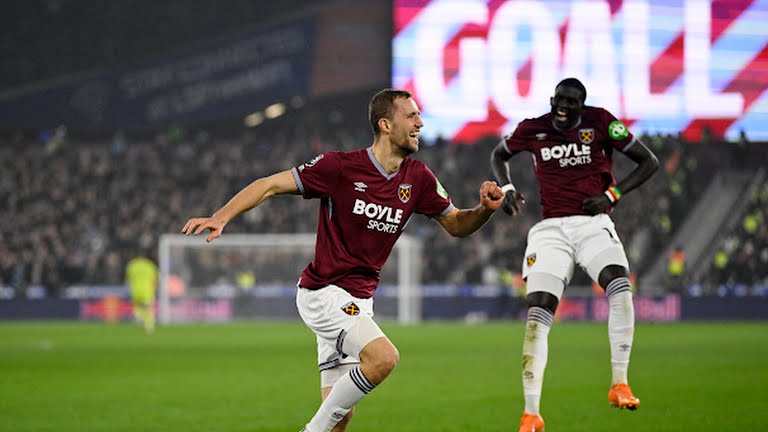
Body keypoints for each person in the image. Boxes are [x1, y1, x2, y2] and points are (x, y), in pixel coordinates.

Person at [182, 89, 505, 432]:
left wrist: (484, 210)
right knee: (384, 358)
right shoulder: (340, 167)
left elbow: (456, 224)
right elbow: (270, 185)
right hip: (324, 292)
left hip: (359, 301)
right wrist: (221, 216)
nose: (419, 123)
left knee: (341, 418)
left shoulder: (419, 178)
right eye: (410, 116)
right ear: (385, 124)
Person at [490, 77, 659, 432]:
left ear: (582, 104)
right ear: (552, 99)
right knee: (538, 313)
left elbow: (648, 161)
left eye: (572, 101)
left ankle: (619, 383)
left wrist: (611, 196)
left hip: (592, 224)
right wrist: (507, 188)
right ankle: (531, 414)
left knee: (620, 287)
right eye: (560, 99)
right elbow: (499, 155)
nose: (564, 106)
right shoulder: (532, 128)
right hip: (550, 229)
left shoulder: (601, 122)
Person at [125, 251, 159, 334]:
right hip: (147, 290)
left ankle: (138, 318)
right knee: (148, 309)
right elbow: (155, 279)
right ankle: (149, 326)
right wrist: (155, 290)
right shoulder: (149, 265)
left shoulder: (132, 265)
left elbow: (128, 279)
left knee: (138, 307)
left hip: (135, 290)